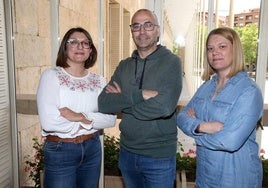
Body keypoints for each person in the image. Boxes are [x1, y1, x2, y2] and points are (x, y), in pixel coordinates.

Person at [98, 9, 182, 188]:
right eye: (136, 26)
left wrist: (122, 100)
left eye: (148, 25)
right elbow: (103, 103)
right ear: (131, 32)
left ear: (158, 30)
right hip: (127, 153)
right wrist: (141, 95)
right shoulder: (124, 66)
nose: (142, 31)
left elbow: (165, 107)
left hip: (158, 157)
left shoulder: (172, 62)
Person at [177, 27, 263, 188]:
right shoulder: (206, 87)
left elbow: (229, 142)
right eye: (210, 49)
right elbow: (181, 118)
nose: (215, 52)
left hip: (236, 178)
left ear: (235, 50)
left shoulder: (249, 91)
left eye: (222, 47)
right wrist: (202, 126)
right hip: (205, 177)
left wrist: (194, 129)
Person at [37, 27, 117, 188]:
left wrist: (79, 116)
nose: (80, 47)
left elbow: (110, 119)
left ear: (90, 50)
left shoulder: (99, 81)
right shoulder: (51, 76)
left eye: (85, 43)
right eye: (73, 42)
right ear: (65, 48)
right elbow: (50, 123)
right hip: (61, 150)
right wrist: (91, 121)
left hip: (92, 148)